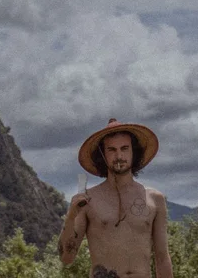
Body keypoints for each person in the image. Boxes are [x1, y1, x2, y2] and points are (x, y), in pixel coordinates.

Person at [58, 118, 173, 278]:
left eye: (124, 148)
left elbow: (162, 258)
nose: (119, 156)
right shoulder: (88, 200)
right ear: (102, 155)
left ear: (134, 152)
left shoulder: (154, 199)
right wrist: (71, 216)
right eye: (111, 150)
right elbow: (67, 258)